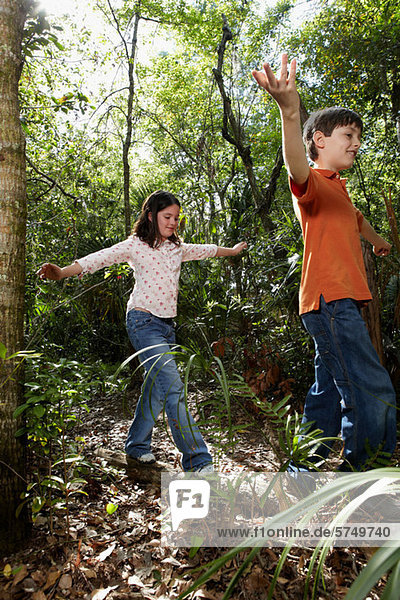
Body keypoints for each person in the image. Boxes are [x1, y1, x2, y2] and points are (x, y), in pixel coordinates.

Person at [252, 54, 397, 471]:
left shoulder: (340, 190)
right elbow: (294, 163)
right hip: (330, 300)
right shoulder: (312, 183)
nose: (356, 142)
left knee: (327, 391)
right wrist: (290, 112)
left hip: (334, 303)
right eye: (348, 134)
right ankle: (363, 473)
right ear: (320, 139)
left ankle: (300, 470)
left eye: (358, 137)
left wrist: (380, 242)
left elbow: (358, 222)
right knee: (372, 386)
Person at [38, 190, 247, 473]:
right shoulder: (135, 245)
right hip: (142, 321)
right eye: (167, 217)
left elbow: (206, 249)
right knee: (173, 388)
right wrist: (62, 272)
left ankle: (137, 446)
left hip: (167, 327)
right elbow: (100, 258)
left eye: (176, 217)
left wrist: (231, 251)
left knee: (157, 390)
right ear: (151, 216)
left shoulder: (177, 248)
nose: (173, 222)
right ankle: (198, 461)